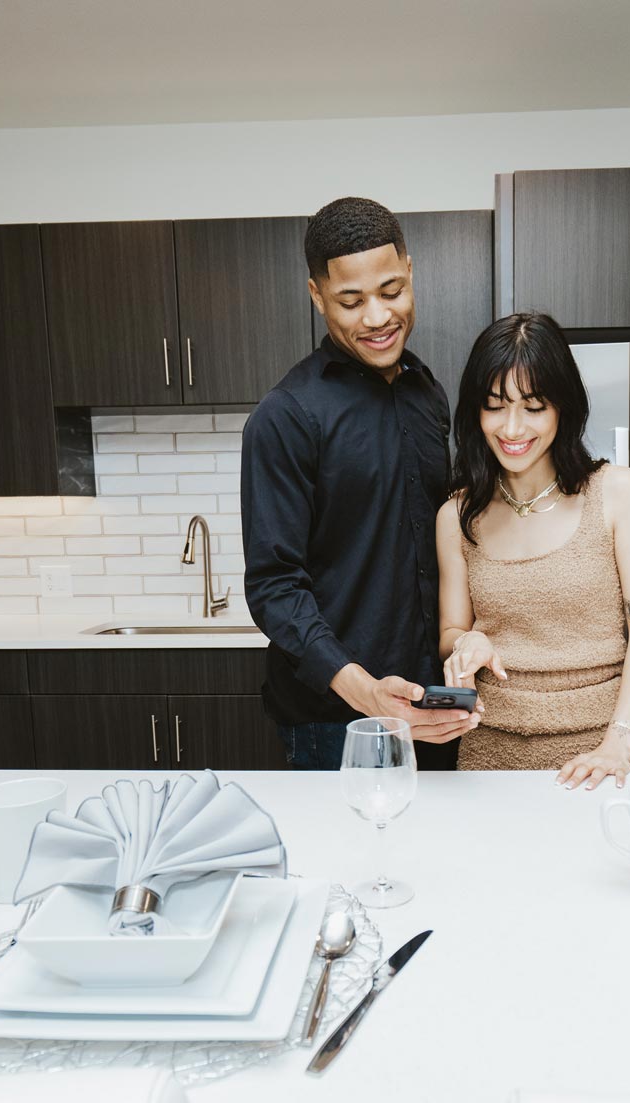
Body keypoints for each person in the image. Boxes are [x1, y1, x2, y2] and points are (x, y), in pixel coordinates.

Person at [241, 196, 478, 771]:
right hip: (335, 722)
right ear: (317, 296)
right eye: (351, 301)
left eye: (391, 291)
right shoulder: (286, 415)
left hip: (432, 709)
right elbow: (274, 588)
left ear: (411, 272)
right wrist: (364, 691)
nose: (377, 317)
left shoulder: (428, 393)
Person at [436, 313, 630, 789]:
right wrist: (466, 643)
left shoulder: (618, 493)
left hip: (597, 759)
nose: (512, 427)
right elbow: (450, 630)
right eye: (495, 405)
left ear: (562, 408)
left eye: (534, 406)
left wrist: (618, 744)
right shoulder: (455, 515)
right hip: (487, 756)